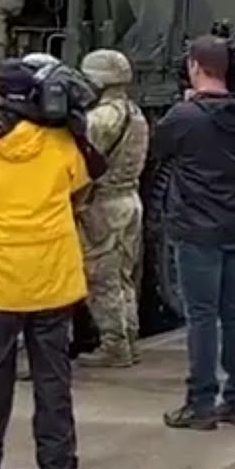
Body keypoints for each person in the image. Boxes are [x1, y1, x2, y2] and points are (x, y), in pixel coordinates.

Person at [0, 59, 105, 469]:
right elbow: (81, 181)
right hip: (51, 281)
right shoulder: (60, 145)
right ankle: (58, 468)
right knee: (53, 381)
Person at [152, 36, 235, 430]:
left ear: (196, 66)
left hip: (197, 227)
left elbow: (159, 148)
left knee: (201, 316)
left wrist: (184, 104)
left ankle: (201, 403)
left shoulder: (185, 115)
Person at [76, 49, 149, 367]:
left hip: (103, 204)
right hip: (129, 199)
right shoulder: (135, 114)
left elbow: (80, 158)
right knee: (123, 276)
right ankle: (129, 337)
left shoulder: (101, 119)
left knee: (102, 277)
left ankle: (114, 344)